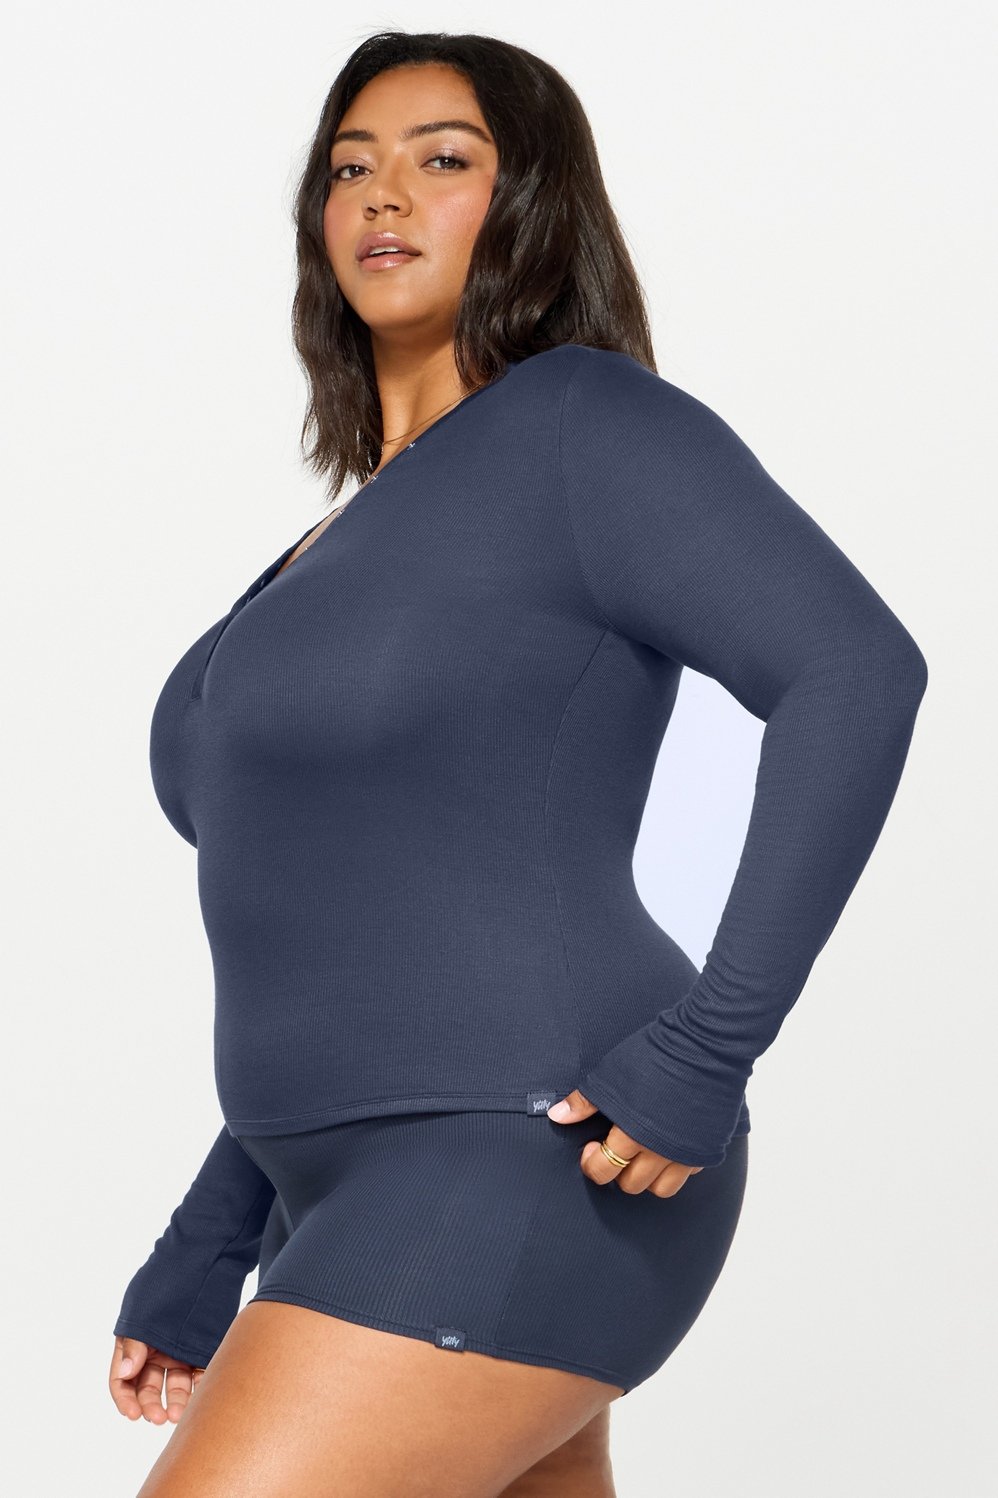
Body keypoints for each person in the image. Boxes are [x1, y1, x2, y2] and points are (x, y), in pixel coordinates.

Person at [107, 31, 928, 1498]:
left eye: (442, 159)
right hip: (333, 1190)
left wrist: (706, 1051)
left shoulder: (583, 427)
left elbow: (855, 673)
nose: (381, 195)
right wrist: (211, 1232)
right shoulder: (341, 537)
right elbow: (345, 920)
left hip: (526, 1154)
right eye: (348, 167)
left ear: (532, 203)